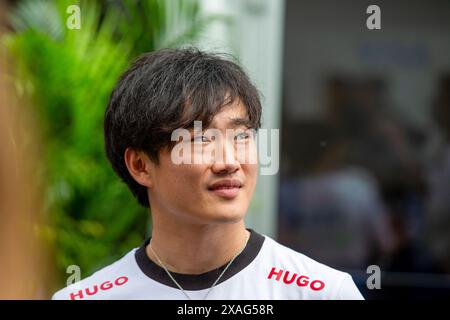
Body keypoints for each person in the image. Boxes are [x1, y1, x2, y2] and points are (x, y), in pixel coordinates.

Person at [52, 48, 363, 300]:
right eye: (200, 140)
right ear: (140, 165)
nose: (229, 161)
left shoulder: (322, 292)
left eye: (241, 136)